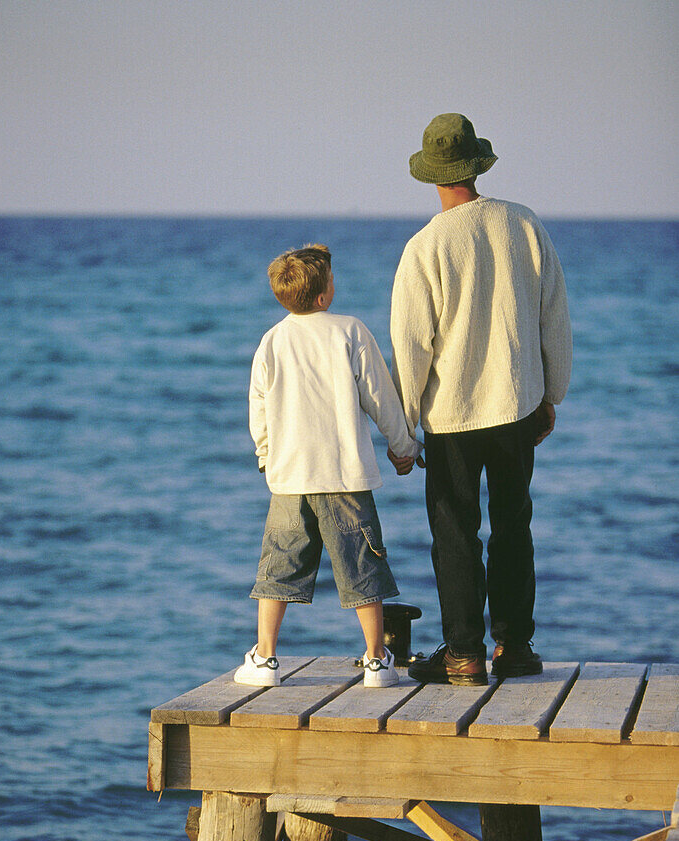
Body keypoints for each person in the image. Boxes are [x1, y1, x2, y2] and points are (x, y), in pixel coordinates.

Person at [389, 113, 572, 686]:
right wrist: (551, 396)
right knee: (514, 526)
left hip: (453, 414)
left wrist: (406, 421)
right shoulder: (524, 224)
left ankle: (463, 653)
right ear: (477, 165)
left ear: (432, 176)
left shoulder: (426, 245)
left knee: (454, 532)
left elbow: (411, 344)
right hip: (517, 405)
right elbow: (553, 319)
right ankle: (515, 649)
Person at [235, 243, 421, 689]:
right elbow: (380, 397)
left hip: (290, 476)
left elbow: (258, 407)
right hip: (345, 475)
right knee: (363, 565)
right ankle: (377, 661)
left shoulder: (272, 340)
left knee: (278, 565)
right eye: (332, 280)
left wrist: (266, 454)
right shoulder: (350, 331)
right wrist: (404, 447)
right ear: (322, 296)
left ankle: (265, 658)